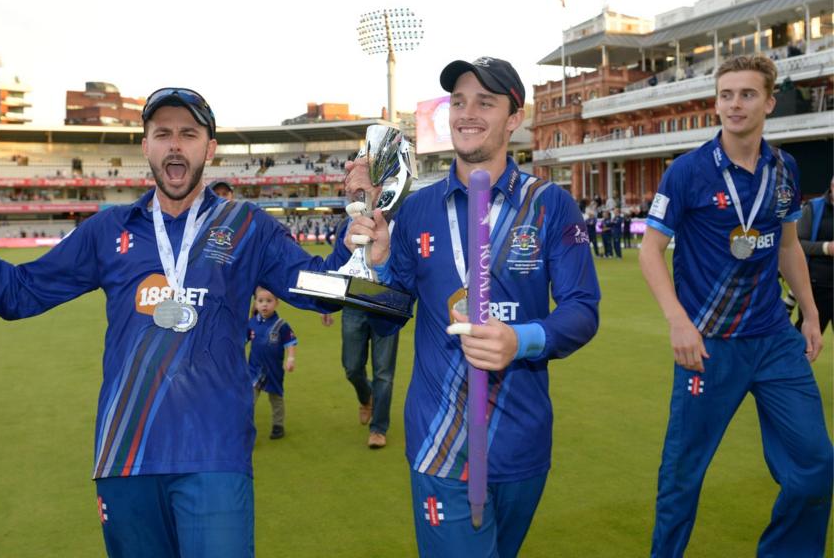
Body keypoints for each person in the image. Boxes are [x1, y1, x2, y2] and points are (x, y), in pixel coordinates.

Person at [0, 87, 379, 558]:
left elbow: (321, 292)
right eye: (163, 134)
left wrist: (355, 231)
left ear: (209, 148)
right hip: (125, 454)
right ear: (146, 146)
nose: (175, 145)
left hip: (213, 454)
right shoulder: (109, 228)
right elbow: (17, 295)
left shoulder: (246, 224)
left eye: (188, 134)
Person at [351, 57, 600, 558]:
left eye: (485, 102)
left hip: (522, 440)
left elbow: (583, 308)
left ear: (514, 117)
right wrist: (375, 266)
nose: (467, 113)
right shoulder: (416, 209)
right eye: (458, 102)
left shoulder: (552, 205)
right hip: (440, 441)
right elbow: (388, 314)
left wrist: (520, 340)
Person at [639, 55, 832, 558]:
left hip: (773, 340)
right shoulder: (688, 171)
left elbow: (788, 246)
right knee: (683, 475)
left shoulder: (784, 168)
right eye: (726, 95)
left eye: (746, 94)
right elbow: (649, 250)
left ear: (769, 102)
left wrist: (809, 314)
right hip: (708, 345)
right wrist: (678, 322)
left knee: (815, 466)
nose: (734, 104)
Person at [321, 303, 400, 449]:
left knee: (383, 374)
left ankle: (378, 429)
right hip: (354, 303)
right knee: (352, 367)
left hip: (388, 305)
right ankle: (367, 396)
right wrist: (326, 305)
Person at [247, 287, 296, 440]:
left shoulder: (281, 325)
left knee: (276, 397)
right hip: (255, 369)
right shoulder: (252, 323)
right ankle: (246, 427)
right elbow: (242, 339)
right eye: (261, 301)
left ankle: (278, 425)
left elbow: (290, 341)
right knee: (250, 398)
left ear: (276, 303)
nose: (265, 305)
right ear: (255, 304)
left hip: (273, 369)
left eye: (269, 301)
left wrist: (291, 358)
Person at [796, 175, 833, 334]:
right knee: (806, 344)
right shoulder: (813, 207)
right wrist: (827, 248)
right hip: (816, 286)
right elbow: (797, 244)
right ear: (832, 187)